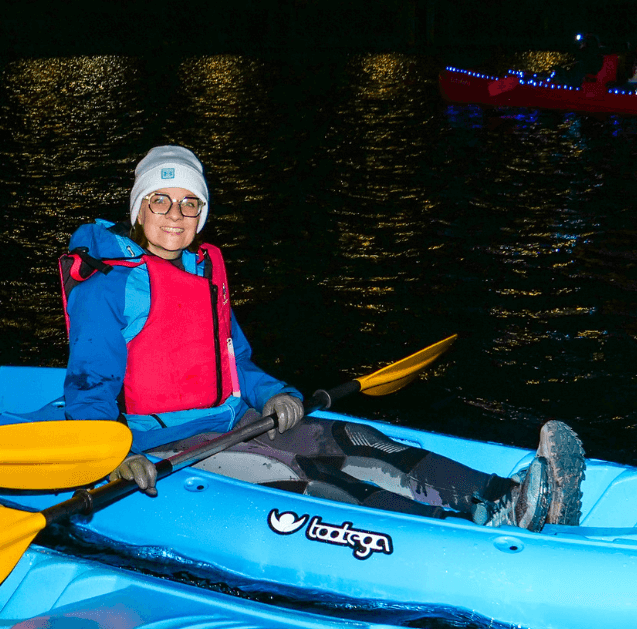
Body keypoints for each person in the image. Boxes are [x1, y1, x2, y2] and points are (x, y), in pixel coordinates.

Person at [58, 146, 584, 531]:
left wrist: (275, 394)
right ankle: (461, 536)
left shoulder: (204, 272)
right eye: (161, 201)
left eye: (189, 203)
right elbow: (88, 384)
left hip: (236, 419)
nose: (176, 215)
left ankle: (509, 497)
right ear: (139, 209)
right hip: (163, 445)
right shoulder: (108, 288)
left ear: (203, 212)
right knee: (314, 478)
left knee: (360, 440)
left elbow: (236, 362)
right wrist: (114, 454)